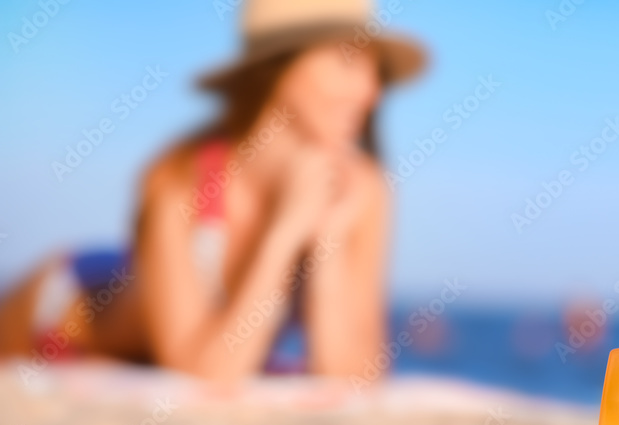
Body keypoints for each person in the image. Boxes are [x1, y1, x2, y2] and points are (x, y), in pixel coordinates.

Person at [0, 0, 425, 382]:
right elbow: (204, 376)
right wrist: (286, 229)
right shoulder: (178, 182)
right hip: (59, 316)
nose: (371, 92)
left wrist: (328, 237)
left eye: (376, 71)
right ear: (278, 66)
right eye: (347, 62)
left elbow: (354, 376)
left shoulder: (362, 189)